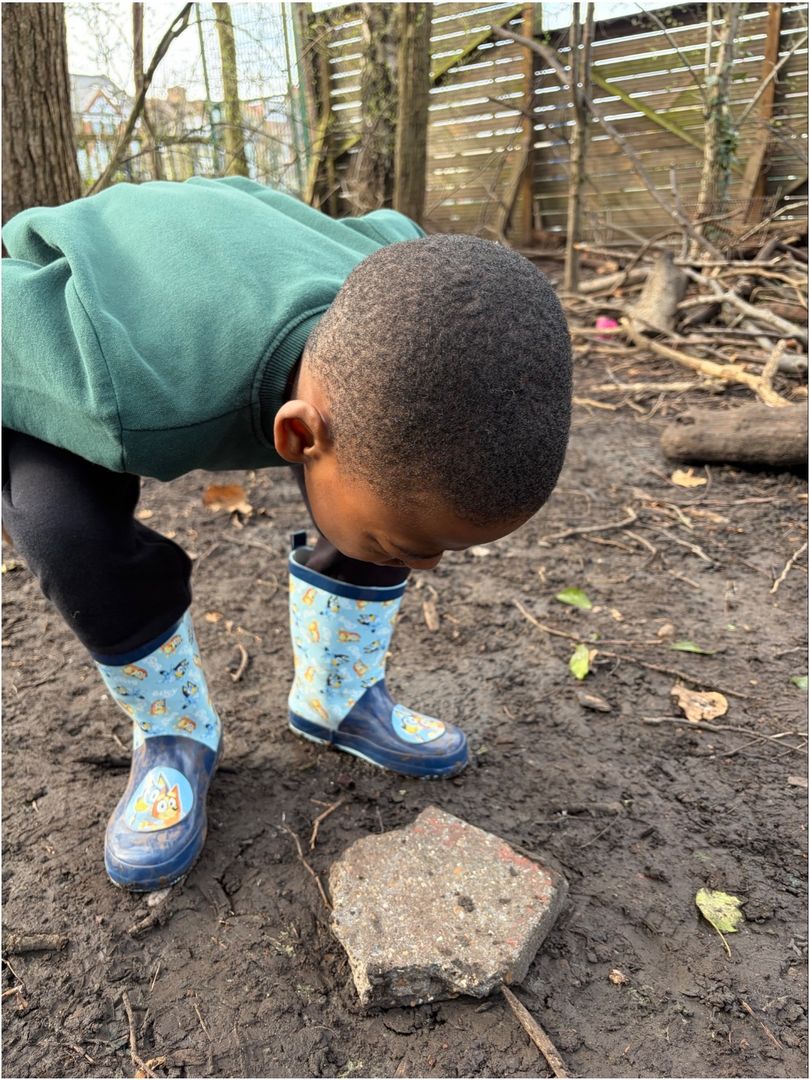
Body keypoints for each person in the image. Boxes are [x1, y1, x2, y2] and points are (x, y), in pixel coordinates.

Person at [2, 175, 572, 892]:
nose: (428, 568)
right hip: (81, 305)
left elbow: (406, 243)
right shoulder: (118, 387)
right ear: (297, 436)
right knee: (58, 525)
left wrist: (397, 534)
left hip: (248, 260)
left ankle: (335, 697)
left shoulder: (399, 290)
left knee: (391, 487)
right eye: (416, 551)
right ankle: (175, 730)